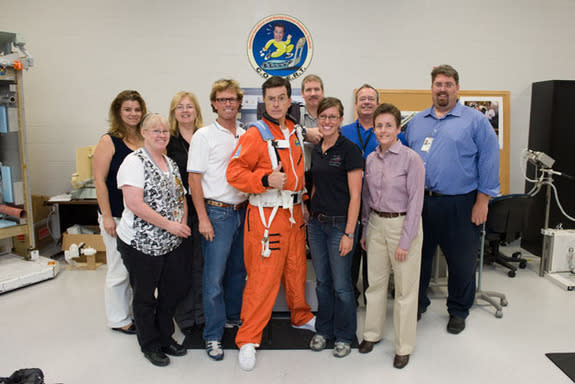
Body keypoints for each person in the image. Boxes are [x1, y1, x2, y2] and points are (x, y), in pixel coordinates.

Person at [227, 76, 315, 371]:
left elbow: (300, 172)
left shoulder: (294, 131)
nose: (277, 104)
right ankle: (248, 338)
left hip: (294, 215)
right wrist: (265, 180)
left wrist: (302, 202)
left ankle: (300, 316)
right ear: (264, 102)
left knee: (295, 269)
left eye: (282, 98)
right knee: (263, 278)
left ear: (290, 100)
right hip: (266, 218)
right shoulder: (254, 134)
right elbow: (234, 174)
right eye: (271, 99)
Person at [405, 64, 499, 334]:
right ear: (431, 88)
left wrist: (483, 201)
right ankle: (418, 305)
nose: (442, 89)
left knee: (461, 261)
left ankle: (458, 310)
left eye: (448, 84)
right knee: (418, 259)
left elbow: (490, 161)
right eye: (438, 84)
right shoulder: (417, 121)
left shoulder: (475, 120)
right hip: (422, 202)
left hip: (460, 203)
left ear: (457, 88)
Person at [116, 113, 191, 367]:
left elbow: (181, 196)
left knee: (173, 291)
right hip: (140, 243)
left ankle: (165, 336)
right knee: (145, 295)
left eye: (164, 131)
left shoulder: (170, 163)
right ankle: (150, 344)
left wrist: (181, 223)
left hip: (170, 241)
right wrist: (170, 224)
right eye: (155, 131)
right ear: (144, 133)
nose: (161, 135)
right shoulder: (133, 162)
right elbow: (134, 203)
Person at [359, 103, 425, 369]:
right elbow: (366, 198)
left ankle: (403, 346)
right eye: (379, 125)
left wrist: (405, 241)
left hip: (402, 225)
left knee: (405, 290)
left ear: (399, 129)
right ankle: (372, 334)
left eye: (389, 125)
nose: (383, 130)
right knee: (374, 285)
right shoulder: (371, 158)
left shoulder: (412, 159)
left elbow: (416, 202)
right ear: (373, 129)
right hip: (376, 223)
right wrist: (365, 228)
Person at [187, 79, 247, 362]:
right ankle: (212, 335)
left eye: (232, 99)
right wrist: (202, 218)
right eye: (222, 99)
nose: (227, 104)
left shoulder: (245, 134)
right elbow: (194, 179)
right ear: (213, 103)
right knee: (213, 279)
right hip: (217, 213)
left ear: (239, 102)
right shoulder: (204, 136)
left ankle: (232, 320)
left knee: (237, 274)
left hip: (242, 212)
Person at [306, 97, 363, 358]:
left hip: (341, 226)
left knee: (342, 285)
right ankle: (324, 330)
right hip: (317, 226)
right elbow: (316, 183)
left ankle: (345, 335)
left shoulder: (349, 150)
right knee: (322, 283)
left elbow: (356, 196)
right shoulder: (317, 149)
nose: (327, 121)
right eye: (323, 117)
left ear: (341, 119)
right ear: (318, 120)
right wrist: (309, 208)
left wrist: (350, 233)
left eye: (332, 116)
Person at [93, 90, 147, 335]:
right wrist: (106, 216)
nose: (133, 114)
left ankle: (138, 313)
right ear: (118, 112)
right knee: (118, 269)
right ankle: (118, 319)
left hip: (140, 217)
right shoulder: (108, 141)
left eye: (137, 109)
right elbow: (99, 180)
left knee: (138, 270)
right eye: (128, 109)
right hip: (115, 215)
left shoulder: (145, 139)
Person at [166, 91, 205, 335]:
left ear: (197, 111)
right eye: (180, 107)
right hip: (178, 213)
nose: (185, 110)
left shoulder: (205, 137)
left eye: (190, 106)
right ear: (174, 113)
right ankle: (184, 317)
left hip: (202, 209)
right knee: (180, 268)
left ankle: (200, 315)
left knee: (201, 266)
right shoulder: (168, 142)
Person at [341, 84, 379, 303]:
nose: (366, 102)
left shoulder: (388, 132)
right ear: (355, 105)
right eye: (362, 99)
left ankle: (372, 300)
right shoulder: (343, 132)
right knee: (351, 255)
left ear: (377, 103)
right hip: (350, 203)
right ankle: (351, 298)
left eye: (370, 99)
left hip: (377, 205)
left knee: (374, 259)